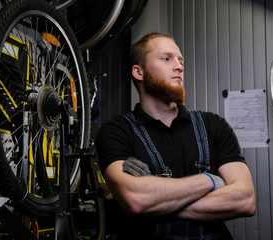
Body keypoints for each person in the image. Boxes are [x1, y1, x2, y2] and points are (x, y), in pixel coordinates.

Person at [95, 32, 256, 240]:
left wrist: (157, 199)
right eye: (166, 58)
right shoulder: (116, 131)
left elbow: (245, 199)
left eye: (180, 60)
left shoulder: (214, 125)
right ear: (139, 72)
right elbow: (136, 199)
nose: (179, 66)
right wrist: (210, 181)